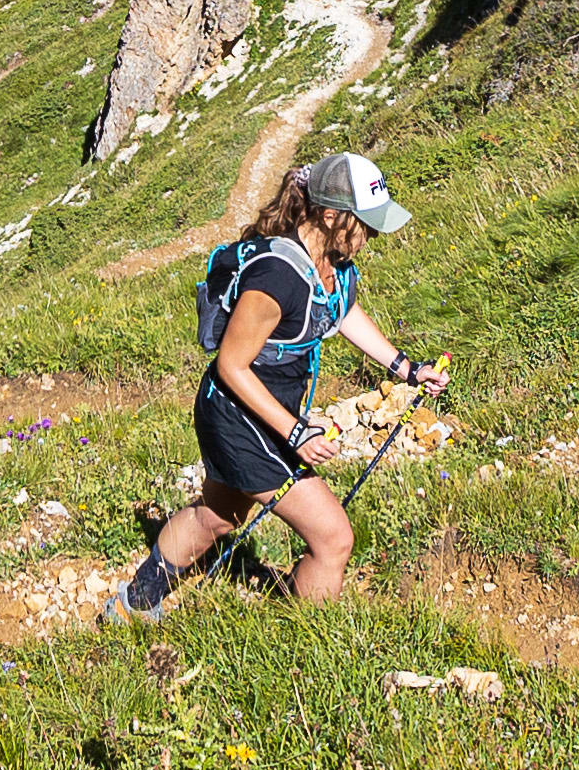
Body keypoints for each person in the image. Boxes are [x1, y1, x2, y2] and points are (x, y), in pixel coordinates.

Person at [108, 151, 439, 615]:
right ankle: (307, 646)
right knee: (334, 537)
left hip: (267, 411)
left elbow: (339, 311)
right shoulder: (276, 276)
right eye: (367, 223)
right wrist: (295, 432)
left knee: (217, 517)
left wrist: (405, 367)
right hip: (240, 416)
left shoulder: (333, 261)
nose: (374, 234)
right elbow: (232, 365)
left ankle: (133, 603)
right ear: (329, 215)